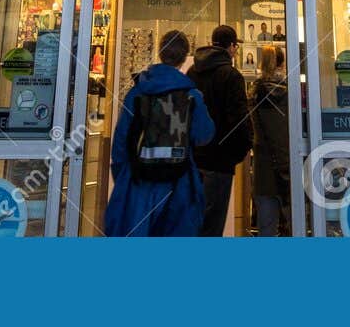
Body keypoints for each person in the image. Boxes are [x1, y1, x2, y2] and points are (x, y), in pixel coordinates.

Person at [104, 30, 214, 237]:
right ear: (184, 58)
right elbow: (204, 135)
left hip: (139, 184)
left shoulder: (137, 92)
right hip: (179, 185)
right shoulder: (191, 95)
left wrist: (124, 176)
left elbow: (121, 140)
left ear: (160, 52)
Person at [187, 24, 253, 236]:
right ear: (231, 47)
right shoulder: (231, 76)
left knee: (193, 222)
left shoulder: (192, 72)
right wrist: (239, 152)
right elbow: (239, 120)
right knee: (212, 226)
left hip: (193, 160)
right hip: (219, 163)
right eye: (236, 46)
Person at [250, 43, 291, 236]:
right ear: (282, 64)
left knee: (267, 226)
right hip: (289, 162)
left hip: (264, 165)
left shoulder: (255, 92)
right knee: (296, 222)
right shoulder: (292, 91)